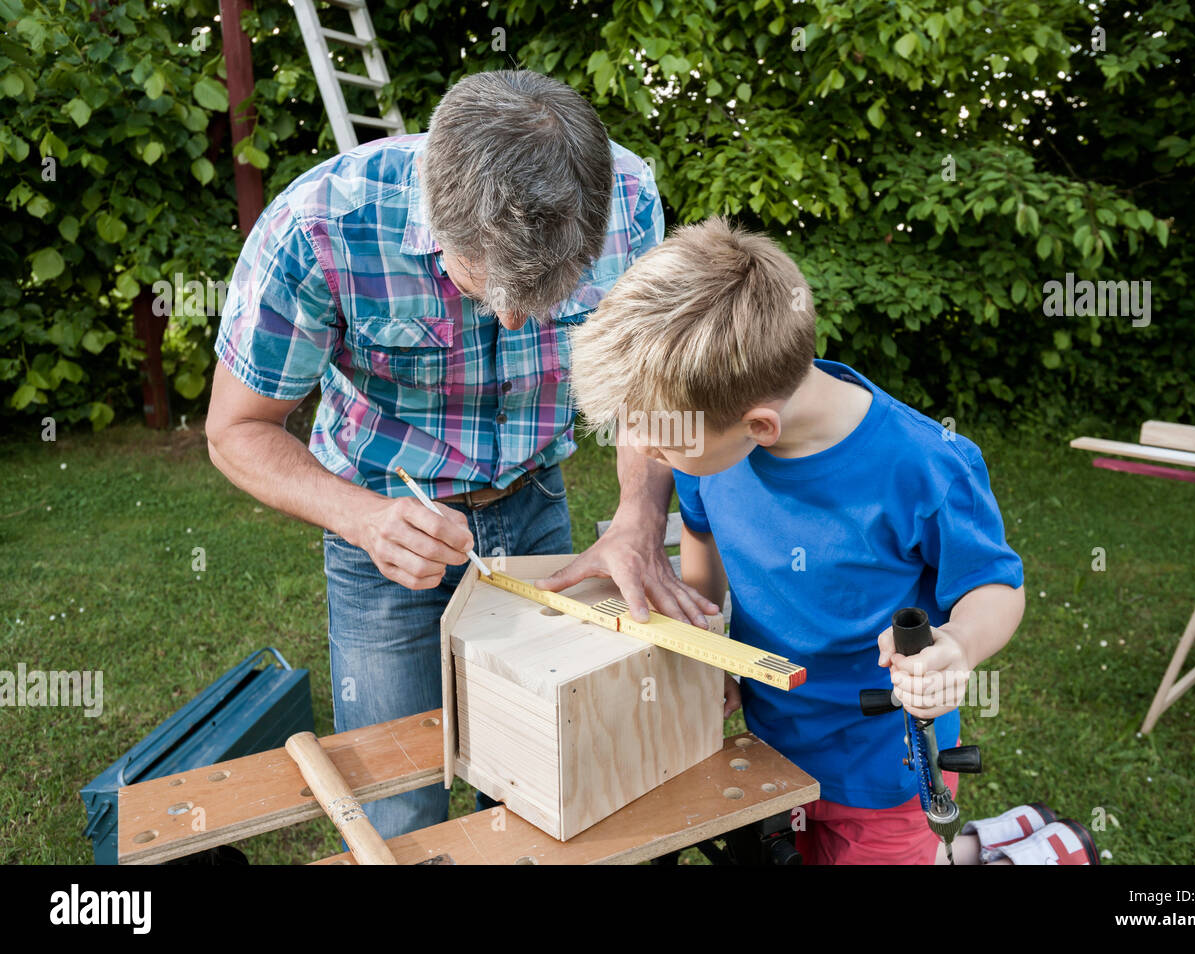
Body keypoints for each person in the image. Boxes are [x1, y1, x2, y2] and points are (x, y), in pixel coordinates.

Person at [205, 69, 717, 841]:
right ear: (436, 219)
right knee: (399, 806)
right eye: (486, 290)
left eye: (545, 297)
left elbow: (650, 389)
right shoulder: (317, 227)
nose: (514, 316)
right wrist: (366, 518)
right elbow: (237, 429)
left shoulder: (631, 200)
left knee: (537, 793)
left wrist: (641, 518)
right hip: (380, 535)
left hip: (536, 507)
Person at [565, 216, 1092, 864]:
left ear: (759, 425)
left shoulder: (924, 465)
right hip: (770, 746)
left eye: (664, 441)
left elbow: (995, 588)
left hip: (882, 770)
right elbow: (703, 552)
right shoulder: (709, 454)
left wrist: (955, 647)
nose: (648, 454)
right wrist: (707, 653)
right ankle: (988, 841)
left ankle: (1010, 852)